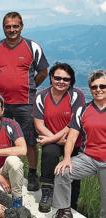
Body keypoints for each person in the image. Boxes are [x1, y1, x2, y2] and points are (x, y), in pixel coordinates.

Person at [0, 11, 49, 191]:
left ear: (21, 26)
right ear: (3, 28)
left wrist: (30, 87)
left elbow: (43, 71)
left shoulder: (32, 47)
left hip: (25, 102)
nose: (12, 29)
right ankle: (2, 171)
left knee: (29, 140)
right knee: (1, 138)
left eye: (15, 26)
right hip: (1, 103)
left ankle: (31, 173)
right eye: (8, 26)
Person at [32, 63, 85, 213]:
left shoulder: (77, 95)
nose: (61, 82)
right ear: (50, 78)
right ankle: (47, 192)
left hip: (73, 139)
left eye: (66, 79)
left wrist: (54, 138)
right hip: (53, 139)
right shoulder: (41, 96)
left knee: (72, 169)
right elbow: (39, 125)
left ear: (71, 81)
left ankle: (71, 203)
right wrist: (55, 139)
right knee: (49, 154)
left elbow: (74, 123)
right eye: (57, 78)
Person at [53, 70, 106, 218]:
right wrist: (67, 158)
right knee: (62, 172)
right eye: (94, 87)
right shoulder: (82, 110)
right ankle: (64, 211)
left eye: (103, 86)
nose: (98, 90)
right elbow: (71, 137)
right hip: (88, 158)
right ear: (90, 89)